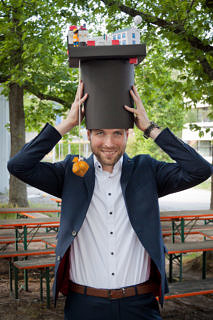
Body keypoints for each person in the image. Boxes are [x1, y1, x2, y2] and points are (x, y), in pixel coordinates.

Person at [8, 82, 212, 320]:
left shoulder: (147, 170)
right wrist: (66, 124)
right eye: (100, 133)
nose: (109, 143)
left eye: (117, 133)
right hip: (84, 305)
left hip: (139, 304)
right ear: (88, 134)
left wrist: (150, 128)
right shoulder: (69, 173)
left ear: (127, 134)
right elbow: (18, 165)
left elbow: (200, 170)